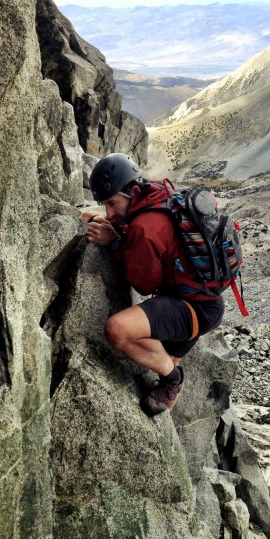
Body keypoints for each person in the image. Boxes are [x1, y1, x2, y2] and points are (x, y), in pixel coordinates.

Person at [81, 152, 225, 417]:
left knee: (118, 330)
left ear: (133, 191)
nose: (109, 211)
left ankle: (173, 380)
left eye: (112, 204)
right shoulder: (155, 194)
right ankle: (169, 375)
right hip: (205, 300)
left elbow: (143, 285)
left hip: (191, 308)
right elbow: (135, 221)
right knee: (157, 358)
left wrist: (113, 242)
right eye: (105, 205)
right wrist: (112, 223)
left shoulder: (146, 229)